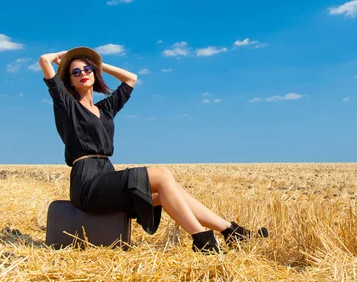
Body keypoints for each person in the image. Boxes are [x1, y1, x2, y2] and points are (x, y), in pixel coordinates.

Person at [39, 46, 268, 254]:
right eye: (76, 72)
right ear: (68, 80)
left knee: (169, 192)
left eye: (87, 69)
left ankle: (231, 231)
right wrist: (62, 58)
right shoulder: (67, 106)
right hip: (88, 183)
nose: (83, 74)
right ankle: (202, 239)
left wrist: (99, 64)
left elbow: (130, 79)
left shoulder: (104, 109)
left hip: (106, 173)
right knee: (162, 175)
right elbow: (43, 61)